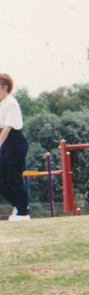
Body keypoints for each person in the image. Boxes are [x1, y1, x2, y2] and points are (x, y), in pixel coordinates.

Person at [0, 73, 30, 220]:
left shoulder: (11, 103)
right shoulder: (3, 103)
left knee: (14, 179)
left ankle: (23, 213)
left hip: (15, 143)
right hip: (6, 144)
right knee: (2, 181)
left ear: (4, 87)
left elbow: (7, 128)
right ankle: (19, 206)